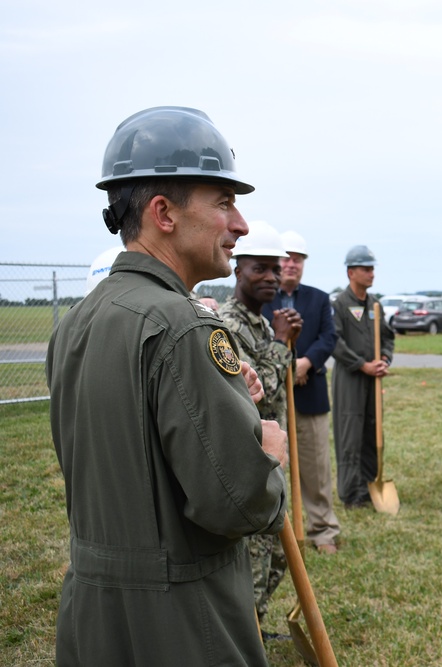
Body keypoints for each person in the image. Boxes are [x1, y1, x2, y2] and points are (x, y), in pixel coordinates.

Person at [46, 106, 287, 666]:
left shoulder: (79, 321)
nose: (242, 225)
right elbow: (238, 506)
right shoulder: (185, 327)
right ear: (163, 213)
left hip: (92, 617)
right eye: (224, 202)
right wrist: (266, 455)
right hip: (181, 623)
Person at [218, 220, 301, 629]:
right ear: (237, 269)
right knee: (253, 564)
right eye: (259, 269)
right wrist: (280, 344)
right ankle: (244, 637)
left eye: (276, 269)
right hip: (252, 461)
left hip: (275, 457)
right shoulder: (229, 325)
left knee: (281, 555)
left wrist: (278, 339)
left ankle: (256, 627)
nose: (271, 277)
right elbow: (257, 392)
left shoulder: (262, 323)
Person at [262, 230, 341, 554]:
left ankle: (322, 530)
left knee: (316, 467)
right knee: (272, 467)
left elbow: (329, 337)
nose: (291, 264)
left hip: (311, 394)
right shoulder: (264, 298)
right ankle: (273, 534)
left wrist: (307, 363)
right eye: (286, 258)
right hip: (271, 399)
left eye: (297, 259)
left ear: (303, 264)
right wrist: (284, 369)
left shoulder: (319, 299)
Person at [331, 245, 395, 508]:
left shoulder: (375, 304)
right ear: (351, 272)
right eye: (366, 269)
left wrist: (384, 360)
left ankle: (370, 486)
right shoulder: (340, 305)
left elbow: (388, 337)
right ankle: (350, 493)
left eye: (372, 269)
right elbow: (334, 342)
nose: (371, 274)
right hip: (350, 379)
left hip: (373, 378)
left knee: (371, 431)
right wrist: (361, 364)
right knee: (350, 435)